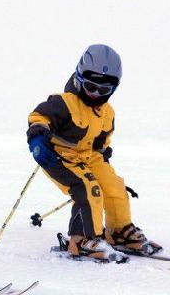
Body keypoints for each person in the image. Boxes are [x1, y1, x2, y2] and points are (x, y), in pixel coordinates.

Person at [26, 44, 162, 262]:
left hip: (90, 158)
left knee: (114, 187)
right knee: (87, 189)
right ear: (79, 78)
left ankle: (119, 232)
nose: (96, 94)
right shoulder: (64, 103)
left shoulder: (107, 113)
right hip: (59, 157)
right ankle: (81, 240)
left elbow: (101, 142)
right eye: (91, 86)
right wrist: (37, 136)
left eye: (104, 90)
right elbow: (39, 117)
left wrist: (104, 152)